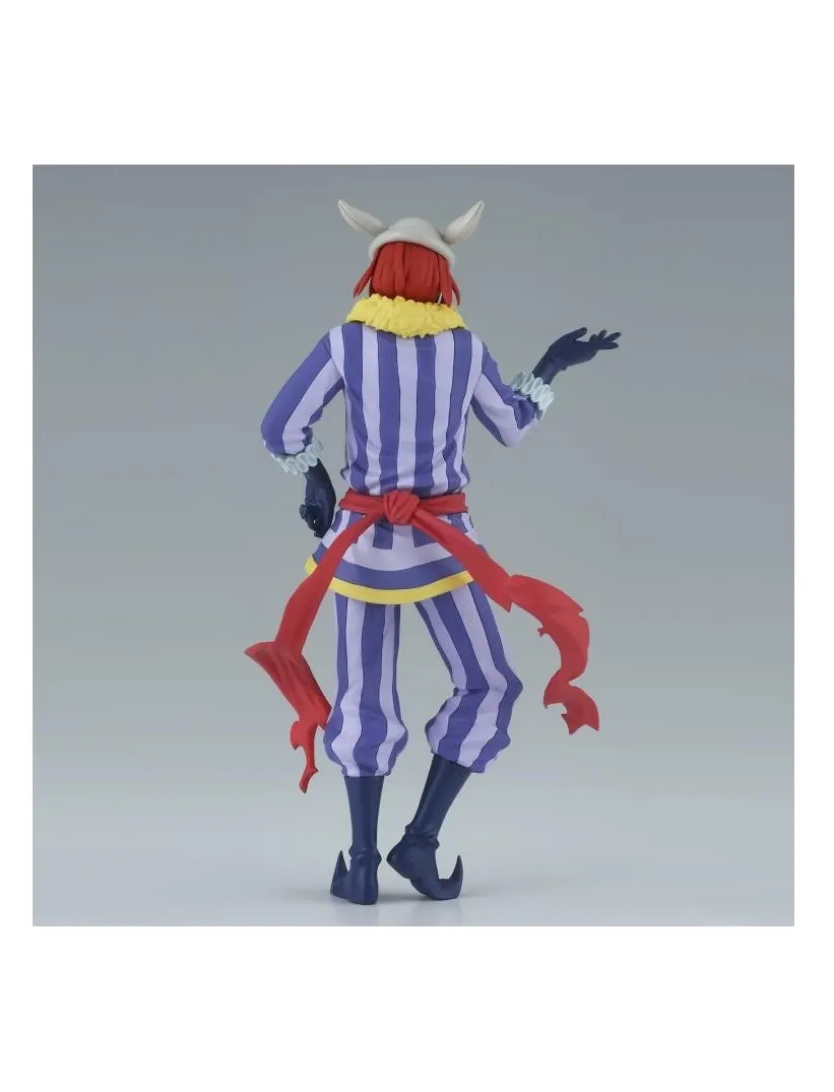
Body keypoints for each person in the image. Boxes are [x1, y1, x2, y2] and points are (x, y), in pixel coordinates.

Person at [246, 199, 621, 905]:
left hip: (362, 548)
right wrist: (552, 365)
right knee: (489, 683)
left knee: (363, 696)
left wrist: (316, 479)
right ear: (443, 277)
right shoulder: (465, 349)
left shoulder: (346, 344)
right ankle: (419, 838)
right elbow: (511, 425)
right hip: (444, 550)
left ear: (376, 273)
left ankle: (363, 863)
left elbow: (280, 427)